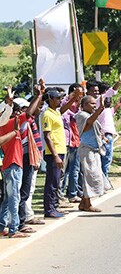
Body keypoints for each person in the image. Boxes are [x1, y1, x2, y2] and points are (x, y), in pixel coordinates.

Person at [0, 85, 44, 237]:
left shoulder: (9, 124)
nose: (19, 112)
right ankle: (14, 229)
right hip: (13, 164)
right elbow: (30, 111)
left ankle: (1, 226)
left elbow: (30, 112)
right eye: (15, 110)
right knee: (14, 197)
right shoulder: (9, 124)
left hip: (10, 165)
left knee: (7, 198)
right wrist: (39, 95)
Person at [75, 95, 109, 213]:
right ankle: (87, 203)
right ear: (84, 105)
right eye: (92, 104)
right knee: (90, 175)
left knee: (94, 174)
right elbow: (88, 124)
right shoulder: (81, 115)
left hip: (95, 149)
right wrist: (99, 110)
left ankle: (84, 203)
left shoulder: (91, 115)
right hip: (86, 149)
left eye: (96, 104)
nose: (95, 106)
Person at [42, 89, 69, 219]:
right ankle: (49, 209)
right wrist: (55, 156)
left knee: (56, 181)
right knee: (52, 182)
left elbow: (65, 106)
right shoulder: (47, 114)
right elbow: (47, 136)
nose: (60, 100)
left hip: (60, 150)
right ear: (51, 100)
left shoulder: (56, 112)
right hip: (54, 153)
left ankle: (53, 206)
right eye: (57, 98)